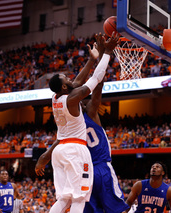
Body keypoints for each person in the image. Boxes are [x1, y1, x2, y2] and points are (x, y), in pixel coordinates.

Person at [38, 32, 120, 213]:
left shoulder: (55, 97)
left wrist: (91, 60)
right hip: (76, 150)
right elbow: (96, 79)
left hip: (60, 151)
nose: (69, 78)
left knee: (63, 198)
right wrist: (107, 52)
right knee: (79, 198)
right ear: (65, 87)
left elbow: (75, 82)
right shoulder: (73, 99)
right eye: (65, 78)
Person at [35, 81, 129, 213]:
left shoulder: (69, 125)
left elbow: (60, 141)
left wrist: (45, 157)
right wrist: (100, 77)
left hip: (83, 171)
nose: (82, 103)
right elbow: (97, 93)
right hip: (102, 168)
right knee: (118, 208)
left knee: (83, 206)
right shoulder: (91, 113)